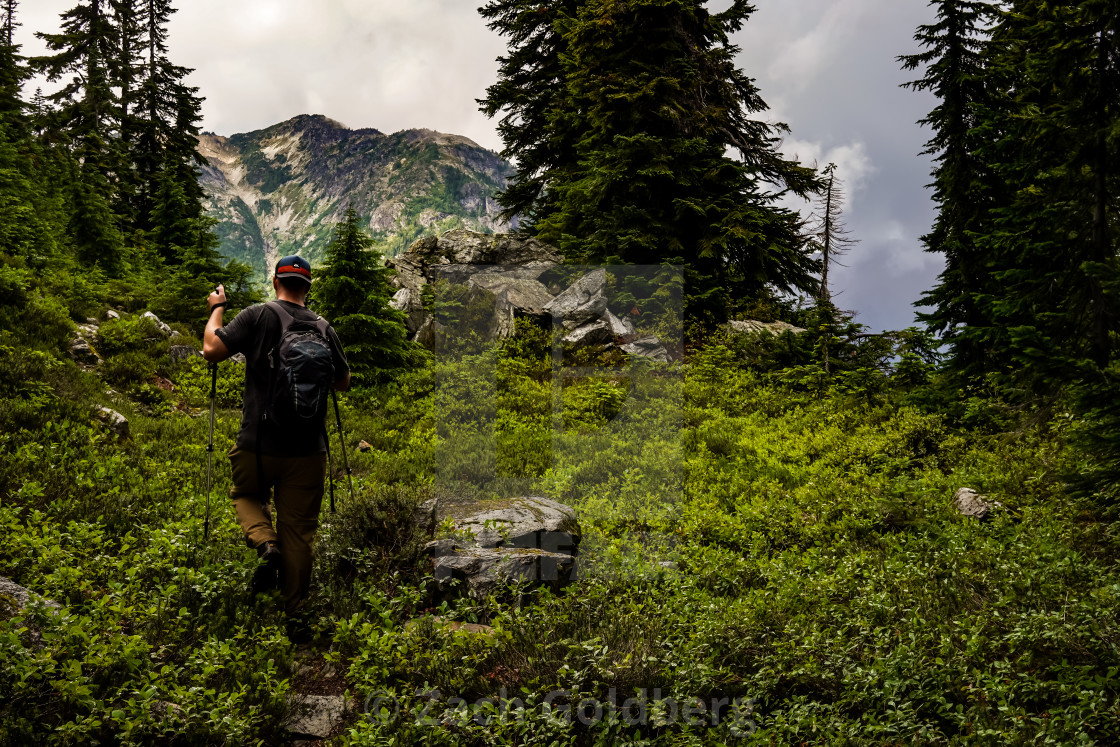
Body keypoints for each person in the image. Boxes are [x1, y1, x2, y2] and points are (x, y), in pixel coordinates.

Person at [202, 255, 350, 642]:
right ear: (308, 287)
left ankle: (266, 544)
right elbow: (343, 381)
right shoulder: (323, 327)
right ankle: (297, 615)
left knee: (247, 494)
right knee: (300, 533)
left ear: (275, 281)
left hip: (257, 444)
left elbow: (211, 350)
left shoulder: (257, 315)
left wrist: (217, 310)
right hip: (308, 451)